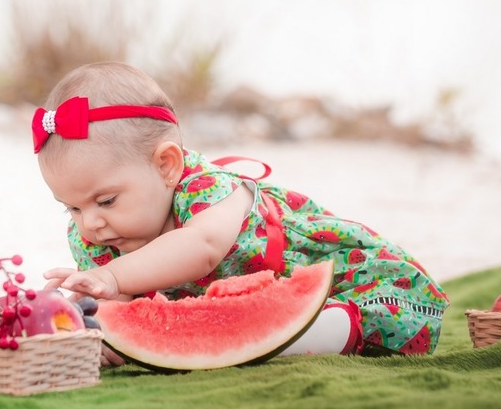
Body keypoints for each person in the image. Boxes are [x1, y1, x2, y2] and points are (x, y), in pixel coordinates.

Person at [35, 61, 448, 358]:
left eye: (106, 201)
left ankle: (326, 332)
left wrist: (111, 276)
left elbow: (203, 246)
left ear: (167, 165)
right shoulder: (97, 236)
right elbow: (122, 310)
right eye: (70, 207)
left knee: (361, 314)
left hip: (345, 281)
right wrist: (107, 333)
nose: (90, 222)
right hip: (234, 313)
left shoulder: (209, 188)